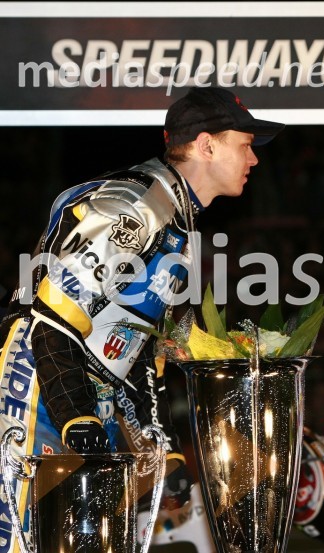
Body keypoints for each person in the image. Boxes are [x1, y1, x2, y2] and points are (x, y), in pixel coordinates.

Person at [0, 87, 283, 544]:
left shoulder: (179, 223)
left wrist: (164, 450)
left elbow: (143, 352)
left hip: (89, 395)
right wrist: (77, 417)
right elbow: (48, 319)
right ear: (206, 145)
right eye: (246, 144)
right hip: (39, 385)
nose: (254, 160)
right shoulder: (135, 208)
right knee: (19, 538)